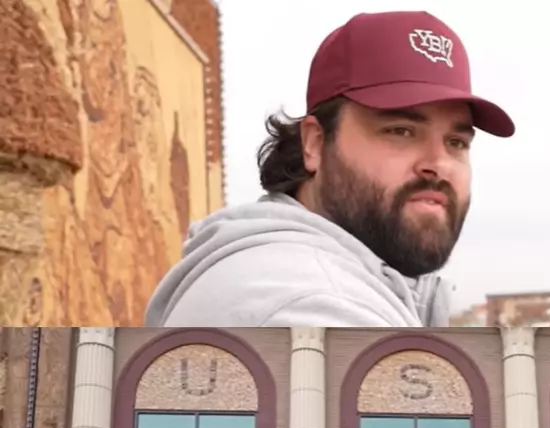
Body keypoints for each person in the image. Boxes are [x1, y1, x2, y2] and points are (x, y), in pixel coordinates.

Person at [144, 11, 514, 327]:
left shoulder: (344, 281)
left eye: (456, 143)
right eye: (401, 131)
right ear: (315, 144)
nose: (437, 164)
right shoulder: (305, 301)